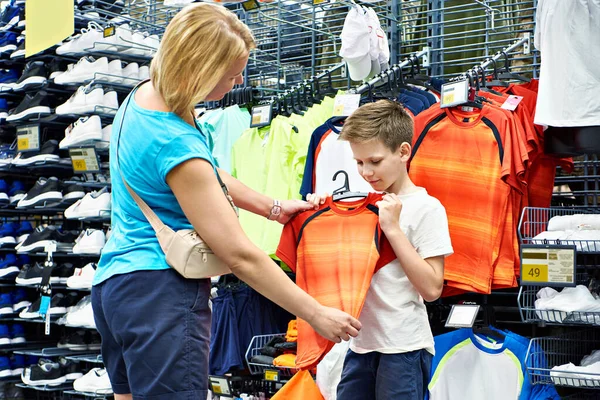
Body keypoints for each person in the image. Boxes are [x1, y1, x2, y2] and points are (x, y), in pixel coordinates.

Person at [90, 4, 361, 400]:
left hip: (116, 286)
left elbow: (205, 172)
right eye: (231, 73)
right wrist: (316, 314)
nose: (238, 83)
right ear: (199, 70)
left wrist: (271, 207)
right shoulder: (175, 141)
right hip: (161, 297)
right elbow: (240, 255)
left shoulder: (145, 97)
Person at [332, 100, 454, 400]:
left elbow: (432, 288)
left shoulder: (427, 208)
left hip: (403, 348)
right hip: (360, 344)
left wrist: (394, 230)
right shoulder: (361, 205)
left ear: (403, 152)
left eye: (374, 161)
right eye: (359, 163)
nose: (365, 172)